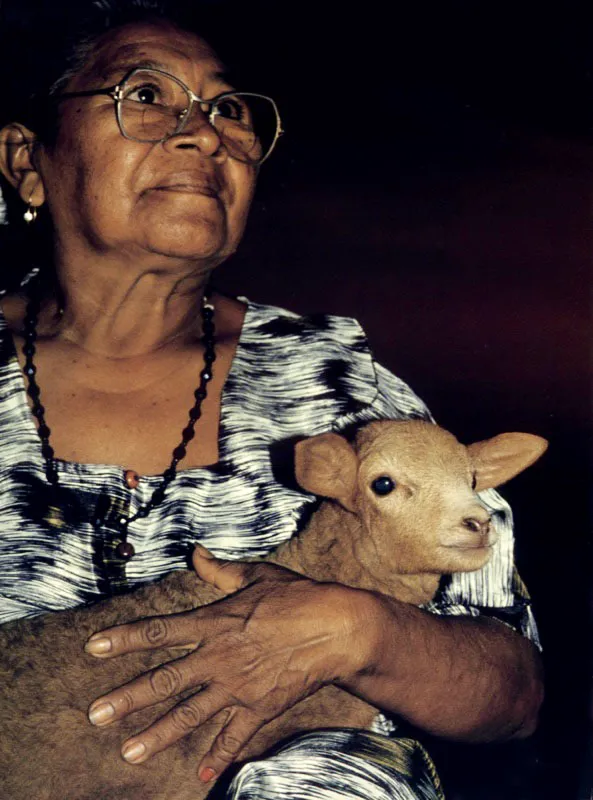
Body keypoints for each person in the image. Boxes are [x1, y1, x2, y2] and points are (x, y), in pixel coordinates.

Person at [0, 1, 543, 797]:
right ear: (25, 161)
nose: (205, 134)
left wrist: (360, 631)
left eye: (227, 109)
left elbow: (515, 692)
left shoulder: (348, 396)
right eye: (144, 95)